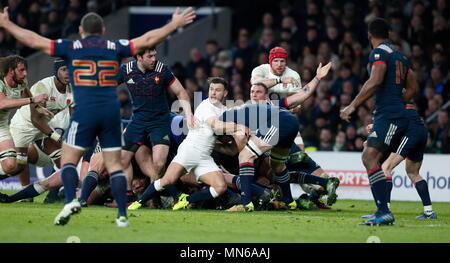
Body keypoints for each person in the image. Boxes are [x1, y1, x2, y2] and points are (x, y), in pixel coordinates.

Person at [0, 6, 196, 227]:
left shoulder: (72, 47)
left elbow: (35, 40)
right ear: (103, 30)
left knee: (68, 161)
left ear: (81, 30)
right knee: (116, 165)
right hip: (109, 113)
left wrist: (8, 24)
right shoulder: (115, 47)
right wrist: (173, 25)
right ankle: (122, 213)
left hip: (84, 111)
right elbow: (148, 38)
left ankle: (72, 201)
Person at [221, 62, 339, 212]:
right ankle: (293, 199)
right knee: (277, 168)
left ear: (266, 95)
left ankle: (245, 203)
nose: (254, 94)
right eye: (252, 91)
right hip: (278, 137)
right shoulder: (246, 108)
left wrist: (316, 78)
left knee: (246, 157)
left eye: (258, 92)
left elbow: (301, 95)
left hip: (282, 133)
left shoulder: (273, 106)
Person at [127, 77, 248, 211]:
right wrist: (239, 127)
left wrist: (243, 112)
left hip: (204, 157)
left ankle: (187, 200)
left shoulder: (223, 110)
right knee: (166, 181)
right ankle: (138, 202)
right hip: (189, 151)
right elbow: (217, 126)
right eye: (211, 89)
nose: (213, 93)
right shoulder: (205, 106)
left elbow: (234, 115)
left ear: (225, 93)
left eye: (217, 90)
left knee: (220, 187)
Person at [340, 18, 410, 226]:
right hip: (392, 112)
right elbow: (413, 85)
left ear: (369, 34)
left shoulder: (378, 53)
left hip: (389, 114)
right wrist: (398, 101)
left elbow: (375, 80)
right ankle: (382, 209)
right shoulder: (400, 56)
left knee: (370, 157)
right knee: (373, 159)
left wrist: (352, 105)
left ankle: (384, 211)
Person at [119, 47, 195, 204]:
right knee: (122, 160)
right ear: (138, 57)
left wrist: (188, 114)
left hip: (160, 121)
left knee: (159, 163)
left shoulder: (162, 70)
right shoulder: (126, 70)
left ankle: (152, 198)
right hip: (138, 121)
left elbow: (181, 92)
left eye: (155, 55)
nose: (154, 59)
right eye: (149, 56)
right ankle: (128, 195)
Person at [375, 70, 437, 219]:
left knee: (385, 167)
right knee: (412, 172)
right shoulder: (403, 95)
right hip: (421, 129)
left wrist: (375, 130)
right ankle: (429, 211)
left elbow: (392, 121)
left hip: (410, 130)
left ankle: (385, 210)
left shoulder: (391, 97)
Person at [10, 58, 72, 176]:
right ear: (56, 72)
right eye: (64, 69)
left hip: (42, 129)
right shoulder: (44, 86)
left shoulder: (72, 90)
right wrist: (57, 138)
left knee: (63, 161)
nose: (68, 72)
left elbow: (75, 118)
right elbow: (35, 119)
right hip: (24, 127)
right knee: (17, 167)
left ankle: (59, 193)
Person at [0, 55, 48, 180]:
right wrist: (32, 99)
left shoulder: (21, 82)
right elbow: (2, 103)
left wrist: (38, 108)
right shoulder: (0, 82)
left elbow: (26, 92)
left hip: (1, 126)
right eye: (21, 70)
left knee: (10, 165)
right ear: (11, 71)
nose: (25, 73)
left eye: (25, 70)